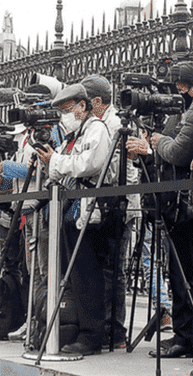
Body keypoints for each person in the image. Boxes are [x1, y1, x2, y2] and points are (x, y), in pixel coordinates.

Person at [37, 83, 117, 355]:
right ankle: (78, 328)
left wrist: (56, 161)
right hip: (71, 212)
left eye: (68, 110)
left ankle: (92, 335)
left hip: (89, 214)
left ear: (83, 106)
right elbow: (63, 168)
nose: (65, 115)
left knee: (88, 276)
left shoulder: (97, 129)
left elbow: (90, 163)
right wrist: (54, 163)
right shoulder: (74, 134)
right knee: (75, 277)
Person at [127, 61, 193, 358]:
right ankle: (183, 333)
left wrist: (157, 144)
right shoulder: (176, 116)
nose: (178, 91)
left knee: (184, 273)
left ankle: (186, 336)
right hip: (172, 203)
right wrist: (150, 149)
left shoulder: (189, 113)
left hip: (184, 204)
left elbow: (178, 152)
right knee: (176, 272)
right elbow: (167, 155)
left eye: (181, 85)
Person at [80, 74, 129, 348]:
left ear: (97, 101)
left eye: (86, 102)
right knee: (101, 268)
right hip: (101, 204)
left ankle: (115, 331)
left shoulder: (114, 124)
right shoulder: (97, 123)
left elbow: (119, 170)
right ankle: (103, 326)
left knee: (113, 270)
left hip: (115, 204)